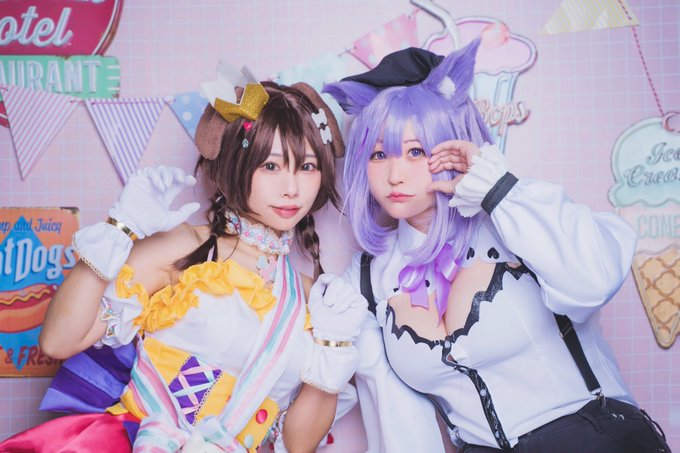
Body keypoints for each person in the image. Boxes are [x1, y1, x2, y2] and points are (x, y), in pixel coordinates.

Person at [323, 39, 671, 452]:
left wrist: (498, 190)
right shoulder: (367, 279)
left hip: (591, 440)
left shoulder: (517, 218)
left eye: (416, 151)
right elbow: (395, 413)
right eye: (379, 154)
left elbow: (593, 282)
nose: (395, 175)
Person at [0, 74, 365, 453]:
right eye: (271, 166)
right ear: (236, 164)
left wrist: (335, 343)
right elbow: (58, 340)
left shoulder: (311, 299)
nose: (292, 188)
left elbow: (298, 444)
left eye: (306, 166)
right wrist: (120, 228)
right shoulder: (187, 248)